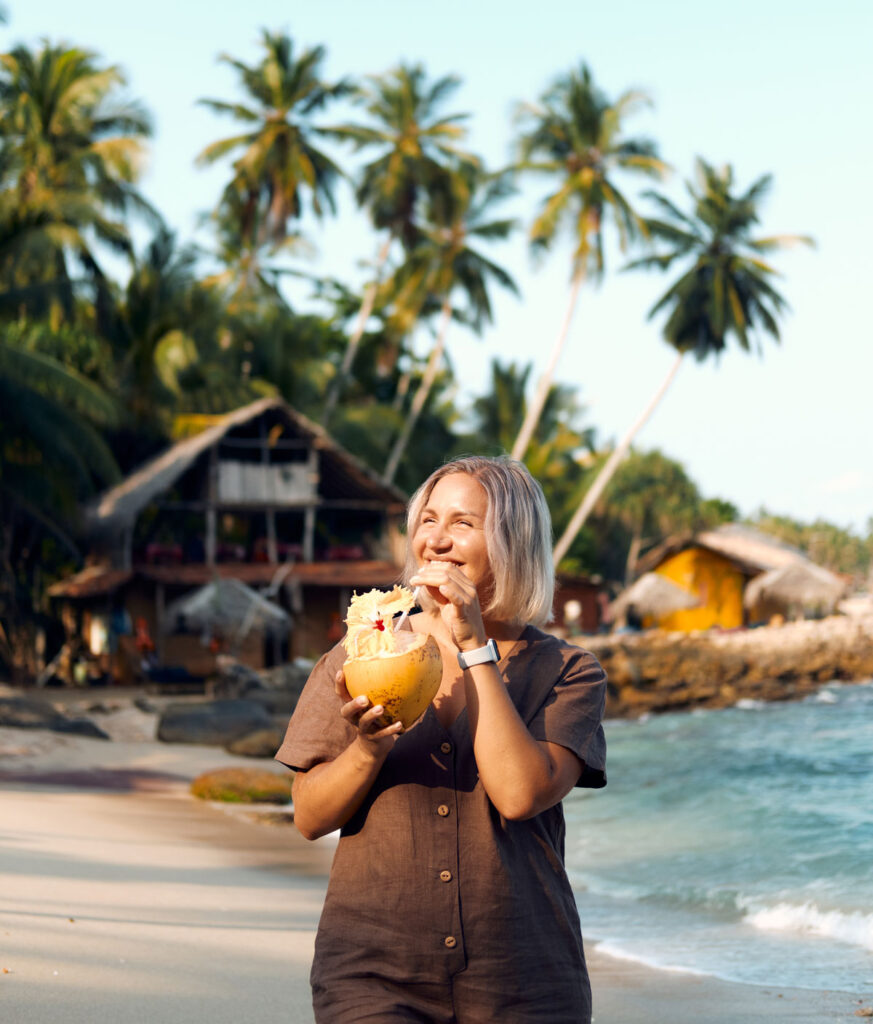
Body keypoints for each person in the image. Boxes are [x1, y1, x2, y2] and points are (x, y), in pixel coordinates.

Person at [276, 456, 607, 1023]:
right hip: (371, 971)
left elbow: (518, 795)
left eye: (462, 524)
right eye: (428, 521)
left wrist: (473, 642)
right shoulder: (363, 651)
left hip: (524, 979)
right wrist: (368, 749)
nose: (437, 541)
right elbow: (308, 815)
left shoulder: (569, 671)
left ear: (513, 542)